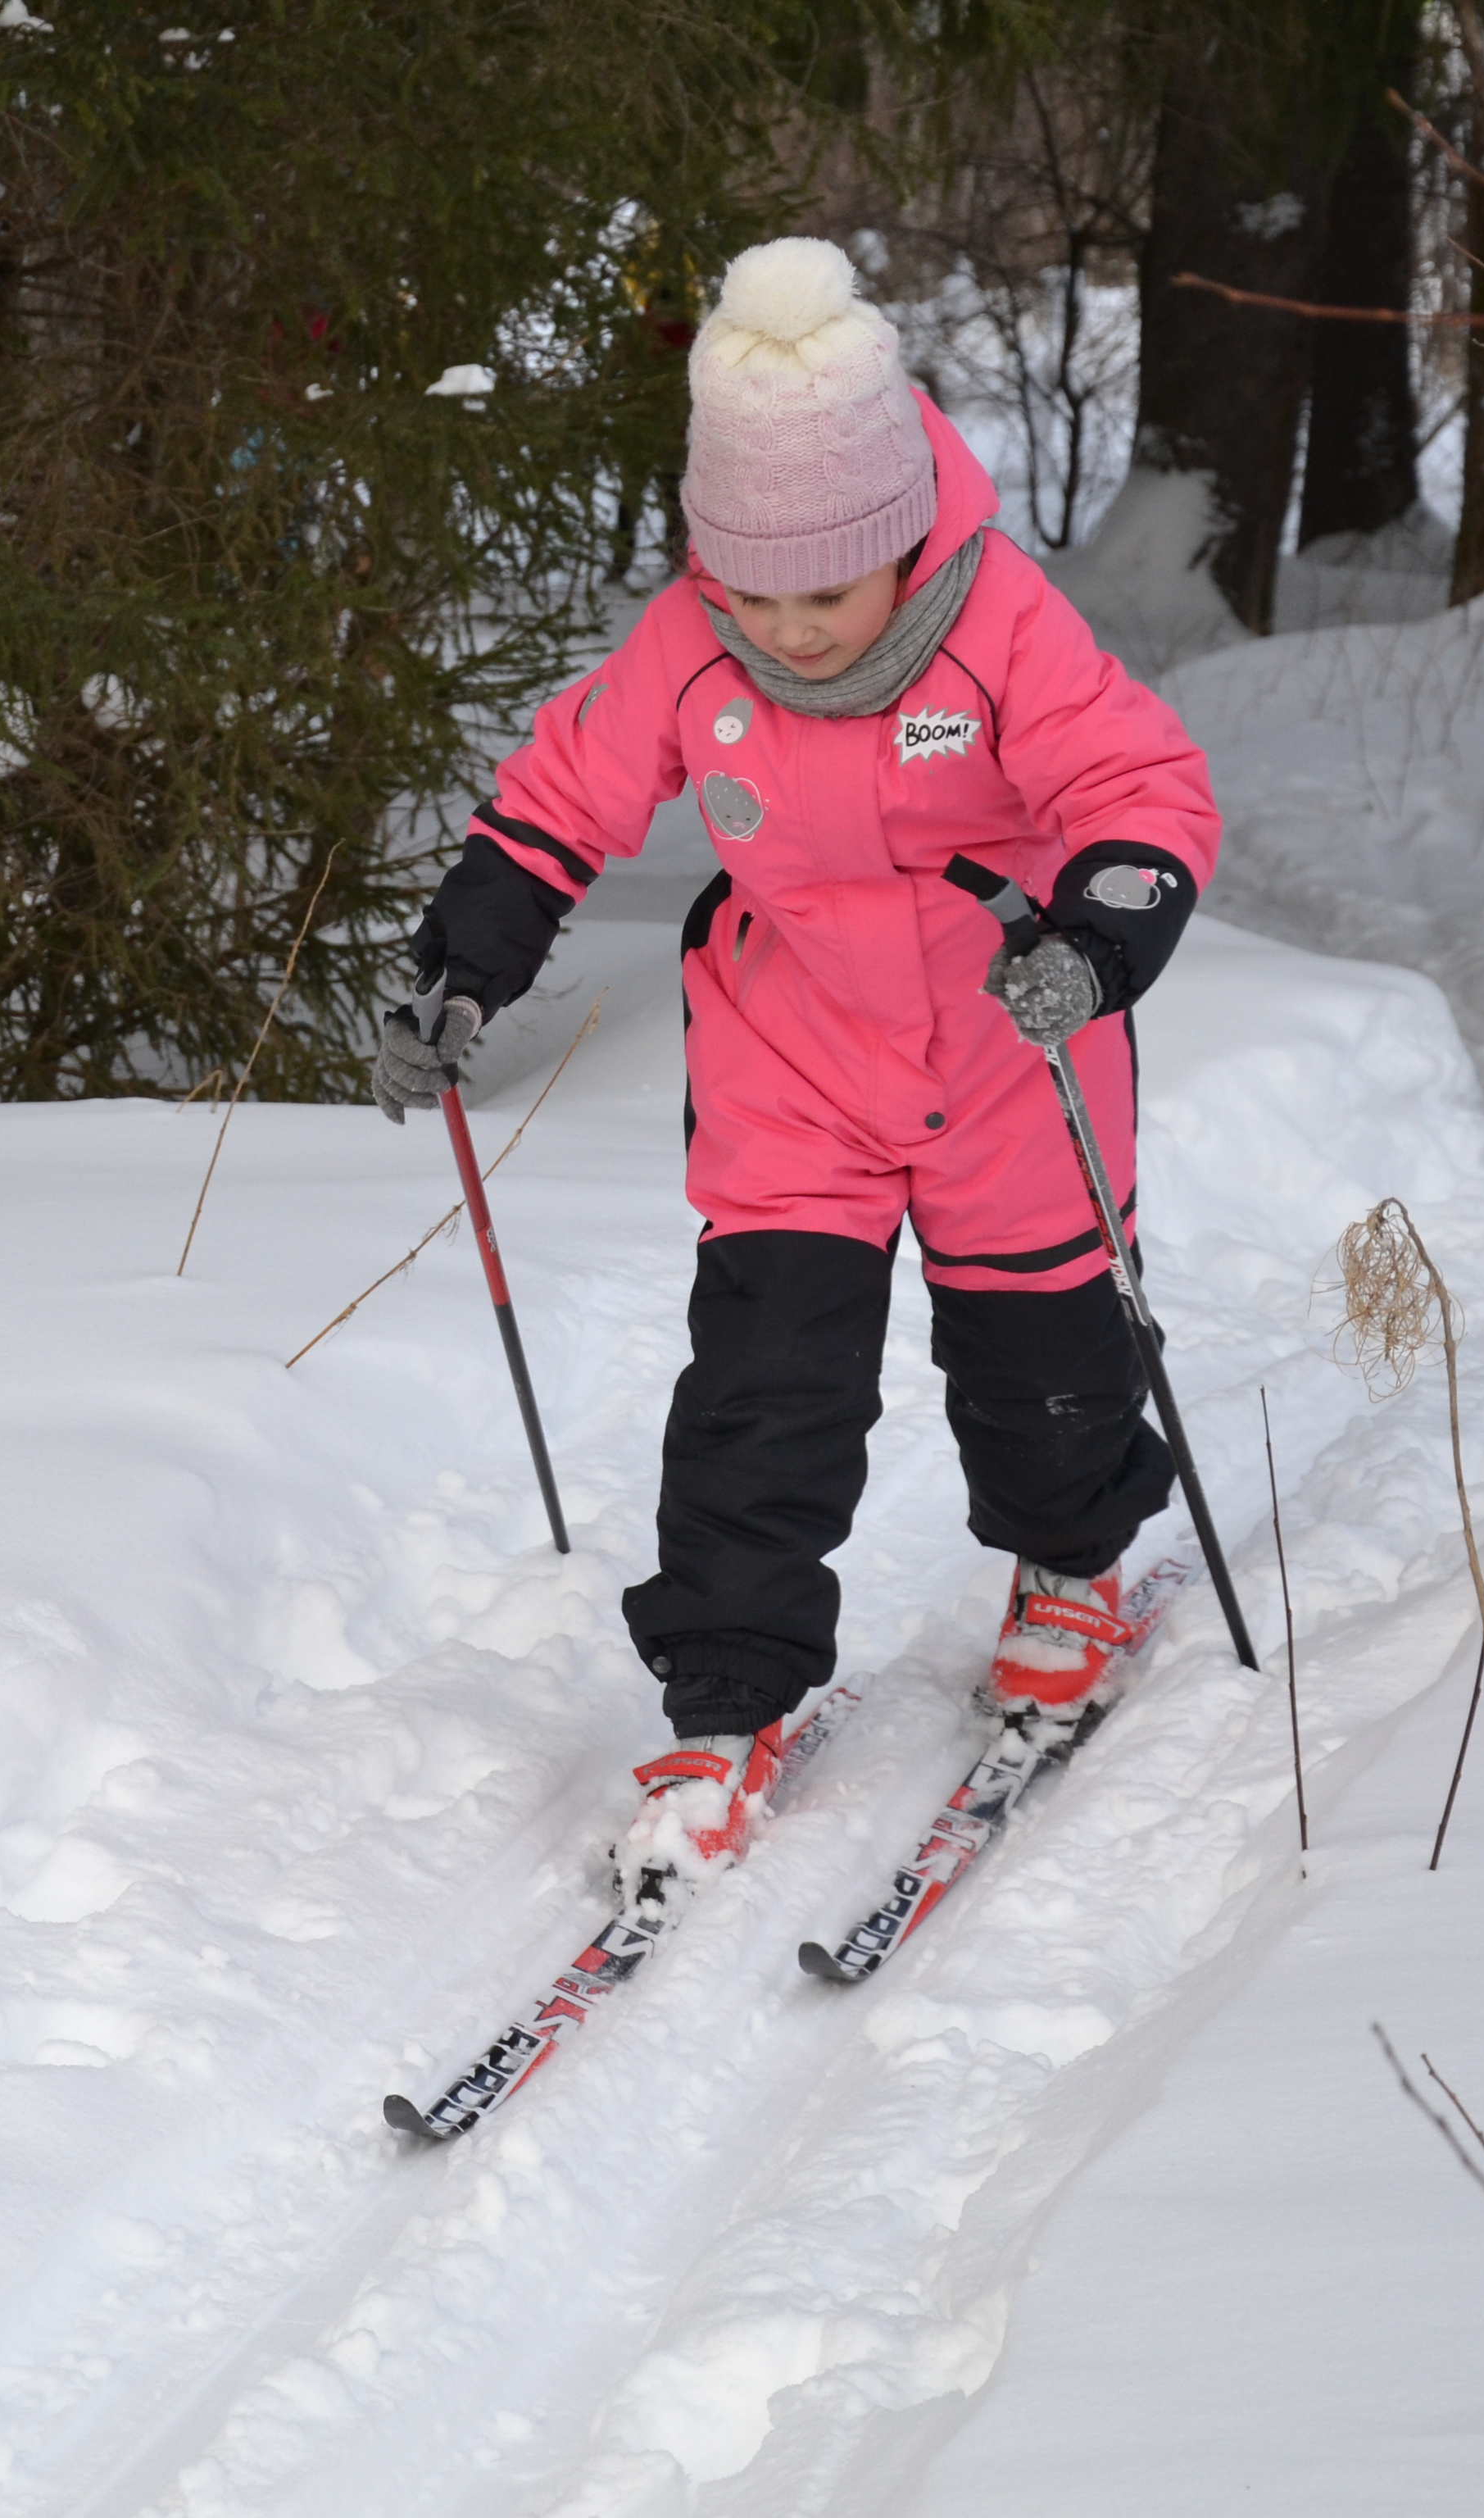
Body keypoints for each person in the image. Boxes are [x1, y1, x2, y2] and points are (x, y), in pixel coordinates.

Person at [370, 237, 1219, 1915]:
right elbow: (563, 799)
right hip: (793, 1066)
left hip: (1010, 1041)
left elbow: (1143, 789)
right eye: (748, 595)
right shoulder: (699, 644)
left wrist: (1101, 936)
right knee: (765, 1388)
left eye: (816, 597)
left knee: (1044, 1357)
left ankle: (1070, 1566)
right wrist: (461, 968)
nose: (782, 631)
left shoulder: (998, 627)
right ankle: (729, 1697)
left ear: (895, 545)